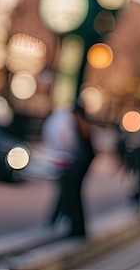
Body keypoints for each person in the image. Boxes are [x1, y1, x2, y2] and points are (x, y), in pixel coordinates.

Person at [47, 101, 96, 238]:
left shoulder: (80, 126)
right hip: (79, 166)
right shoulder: (84, 126)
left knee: (73, 196)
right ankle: (74, 227)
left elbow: (77, 148)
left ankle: (76, 229)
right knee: (72, 196)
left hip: (78, 167)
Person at [115, 123, 140, 212]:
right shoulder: (130, 137)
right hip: (137, 165)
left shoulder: (135, 138)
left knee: (137, 184)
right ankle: (136, 201)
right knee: (135, 183)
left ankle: (137, 201)